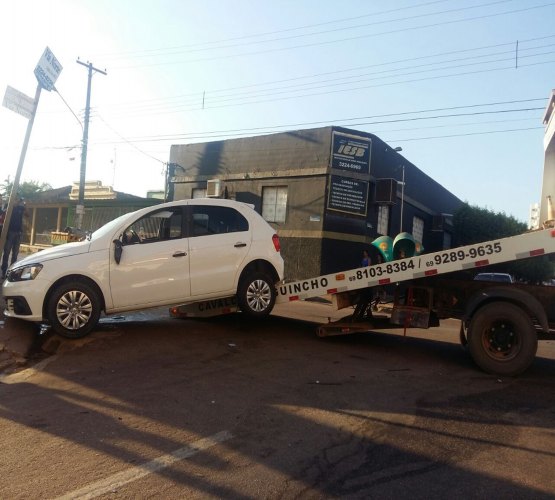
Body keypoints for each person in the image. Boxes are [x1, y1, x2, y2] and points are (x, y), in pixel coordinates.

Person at [1, 197, 28, 278]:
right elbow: (4, 213)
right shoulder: (8, 205)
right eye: (15, 198)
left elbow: (27, 215)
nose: (17, 200)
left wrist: (25, 205)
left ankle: (11, 273)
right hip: (10, 232)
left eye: (18, 199)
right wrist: (13, 205)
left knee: (15, 254)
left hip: (18, 232)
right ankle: (3, 272)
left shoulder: (21, 207)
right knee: (6, 253)